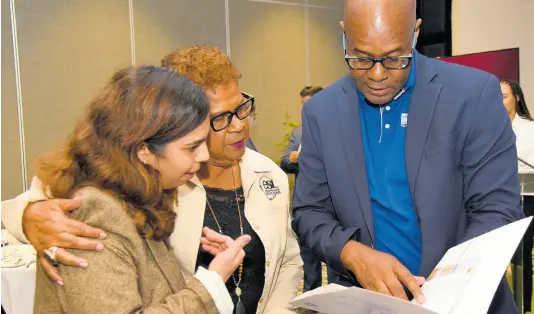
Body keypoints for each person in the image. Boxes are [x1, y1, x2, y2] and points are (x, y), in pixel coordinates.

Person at [2, 46, 302, 314]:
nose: (238, 126)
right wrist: (30, 216)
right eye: (219, 119)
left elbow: (287, 260)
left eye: (242, 108)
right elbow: (35, 206)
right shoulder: (103, 209)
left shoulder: (150, 189)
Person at [291, 0, 524, 313]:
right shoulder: (322, 112)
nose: (376, 74)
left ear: (415, 32)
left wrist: (450, 285)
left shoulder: (472, 94)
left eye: (393, 58)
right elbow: (309, 212)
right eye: (360, 58)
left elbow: (498, 208)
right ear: (344, 35)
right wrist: (351, 253)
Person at [500, 79, 534, 312]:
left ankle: (522, 305)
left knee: (521, 253)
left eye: (503, 96)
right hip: (499, 199)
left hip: (527, 197)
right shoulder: (488, 128)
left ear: (517, 98)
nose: (498, 102)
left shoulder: (530, 129)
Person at [280, 86, 323, 176]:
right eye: (302, 104)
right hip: (301, 188)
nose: (302, 109)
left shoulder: (331, 132)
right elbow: (284, 162)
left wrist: (301, 159)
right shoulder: (297, 132)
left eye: (306, 104)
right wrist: (294, 160)